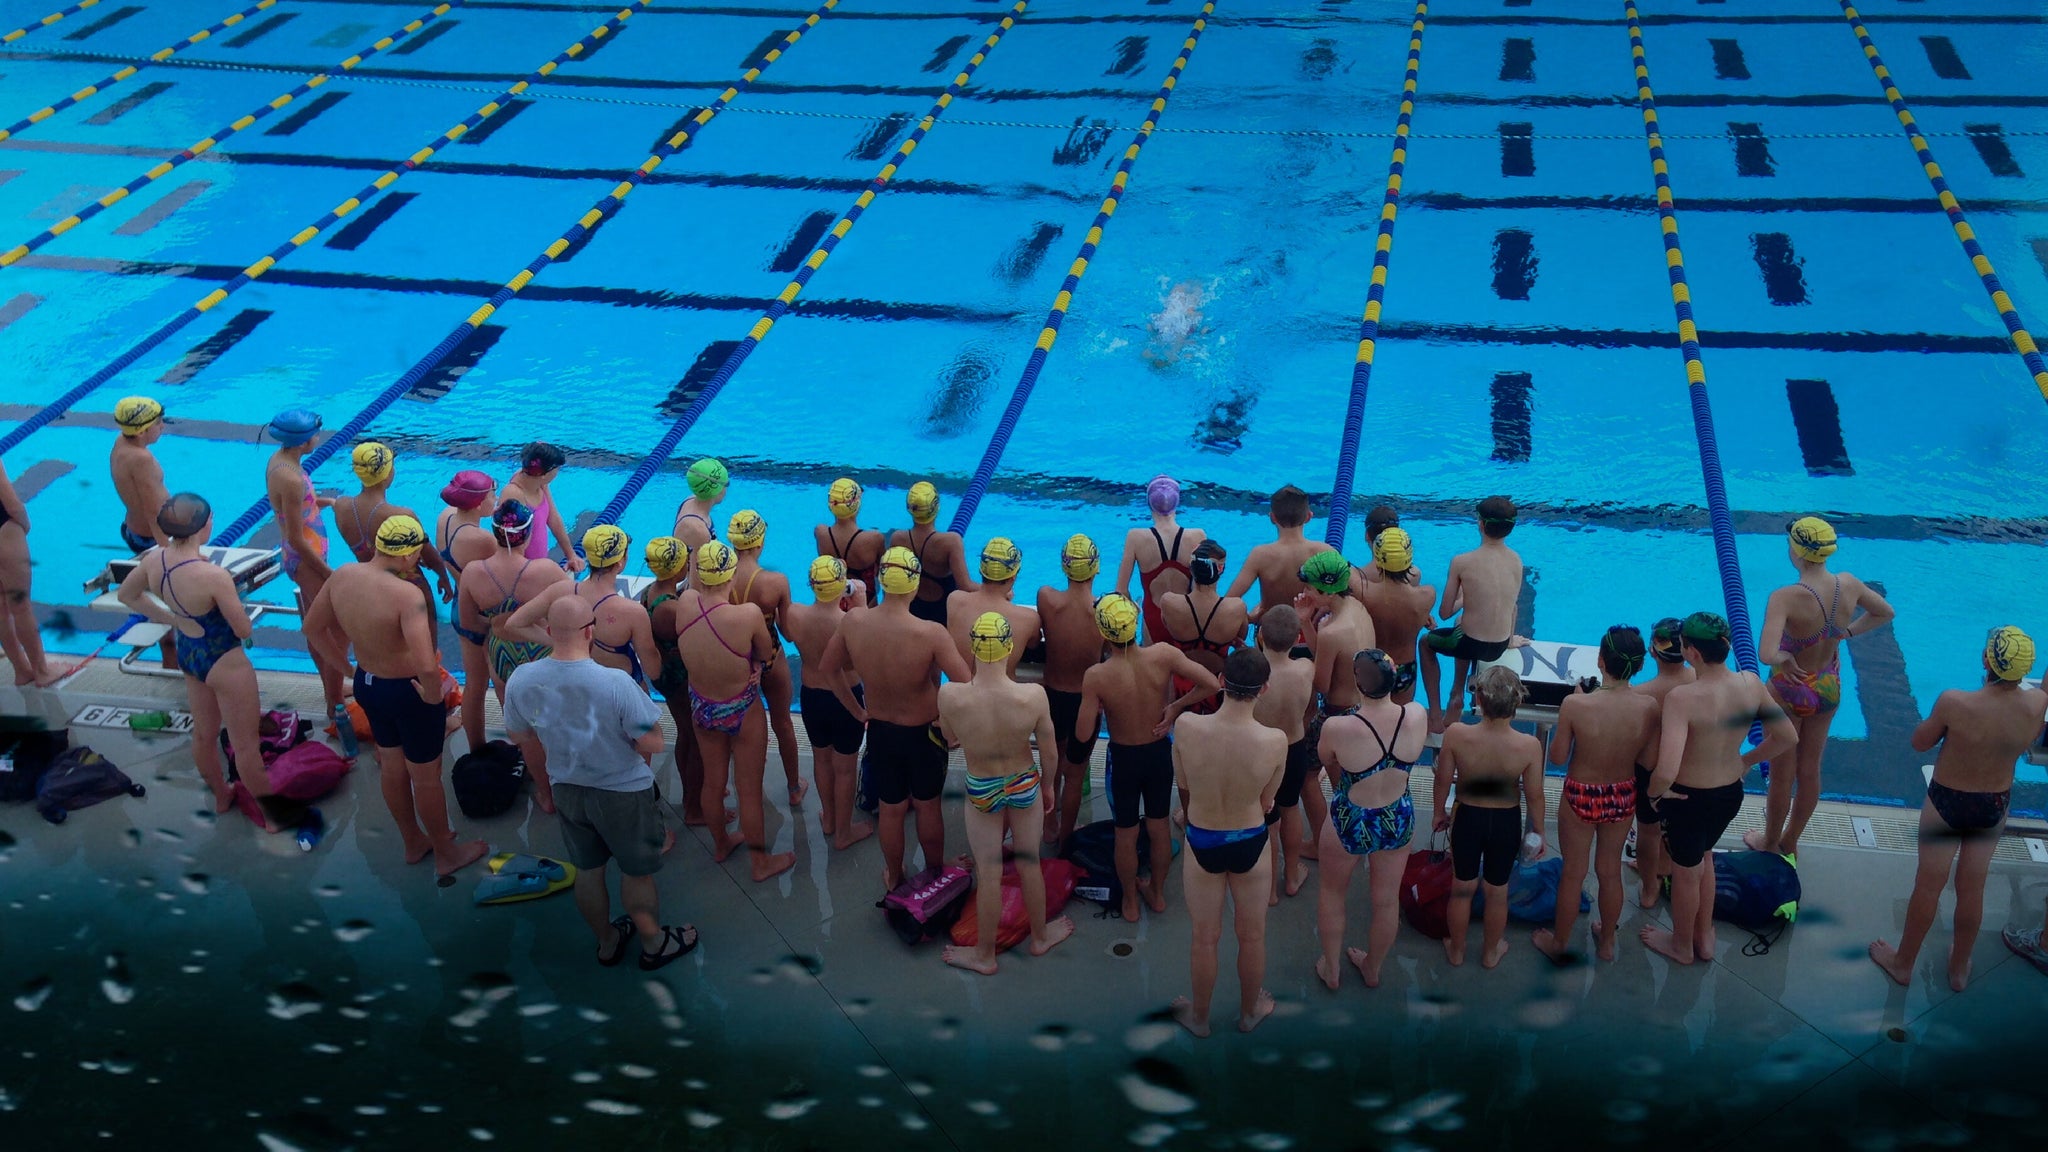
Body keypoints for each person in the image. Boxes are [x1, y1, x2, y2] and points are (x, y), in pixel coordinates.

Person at [503, 596, 696, 971]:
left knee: (588, 872)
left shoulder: (523, 679)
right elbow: (651, 741)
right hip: (622, 791)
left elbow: (519, 735)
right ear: (590, 631)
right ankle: (653, 944)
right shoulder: (615, 683)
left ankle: (607, 941)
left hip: (567, 789)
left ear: (548, 632)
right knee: (636, 873)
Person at [305, 515, 489, 877]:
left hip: (369, 685)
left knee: (391, 766)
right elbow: (424, 663)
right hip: (410, 693)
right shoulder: (407, 595)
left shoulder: (343, 574)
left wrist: (347, 669)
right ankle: (445, 853)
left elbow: (312, 628)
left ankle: (413, 840)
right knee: (425, 776)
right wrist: (435, 698)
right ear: (407, 557)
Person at [1872, 628, 2044, 993]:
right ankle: (1960, 965)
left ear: (1986, 660)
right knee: (1972, 889)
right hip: (1992, 805)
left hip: (1947, 802)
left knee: (1928, 886)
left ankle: (1903, 963)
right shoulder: (2037, 705)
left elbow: (1920, 742)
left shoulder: (1956, 703)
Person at [115, 494, 282, 826]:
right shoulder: (213, 576)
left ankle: (222, 796)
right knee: (246, 746)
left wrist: (170, 619)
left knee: (204, 735)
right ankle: (274, 818)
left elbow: (127, 595)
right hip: (225, 661)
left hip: (189, 652)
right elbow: (242, 627)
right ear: (204, 527)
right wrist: (237, 598)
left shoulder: (153, 560)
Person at [1641, 612, 1796, 965]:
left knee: (1685, 873)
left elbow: (1666, 768)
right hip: (1729, 795)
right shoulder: (1751, 683)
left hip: (1688, 799)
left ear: (1692, 653)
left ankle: (1681, 945)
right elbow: (1787, 736)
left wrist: (1654, 793)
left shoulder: (1683, 698)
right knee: (1705, 857)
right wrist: (1746, 761)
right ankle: (1703, 935)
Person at [1746, 517, 1896, 862]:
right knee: (1810, 768)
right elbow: (1885, 612)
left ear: (1796, 551)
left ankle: (1769, 841)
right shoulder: (1849, 584)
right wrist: (1848, 633)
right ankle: (1790, 840)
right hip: (1827, 685)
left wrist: (1783, 656)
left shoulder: (1785, 597)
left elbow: (1766, 653)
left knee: (1783, 770)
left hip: (1789, 690)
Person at [823, 546, 970, 890]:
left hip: (880, 732)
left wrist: (859, 711)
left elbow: (829, 670)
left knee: (890, 810)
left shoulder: (854, 621)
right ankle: (936, 873)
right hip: (924, 735)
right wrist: (951, 723)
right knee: (928, 806)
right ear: (915, 585)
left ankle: (895, 876)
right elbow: (966, 684)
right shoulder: (930, 633)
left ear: (884, 585)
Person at [937, 611, 1076, 975]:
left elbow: (950, 738)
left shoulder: (950, 695)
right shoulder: (1032, 696)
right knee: (1030, 863)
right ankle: (1041, 938)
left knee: (989, 873)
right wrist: (1047, 785)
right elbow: (1049, 752)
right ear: (1009, 647)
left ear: (971, 648)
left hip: (982, 785)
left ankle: (985, 956)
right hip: (1023, 782)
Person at [1073, 594, 1217, 922]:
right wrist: (1175, 708)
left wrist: (1093, 703)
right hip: (1157, 753)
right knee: (1158, 827)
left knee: (1126, 834)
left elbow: (1082, 736)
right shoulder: (1163, 655)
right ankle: (1157, 893)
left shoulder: (1096, 676)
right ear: (1134, 623)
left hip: (1123, 759)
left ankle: (1129, 903)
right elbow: (1210, 684)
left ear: (1103, 632)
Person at [1170, 647, 1285, 1037]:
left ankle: (1199, 1018)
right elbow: (1268, 801)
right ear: (1264, 689)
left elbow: (1182, 784)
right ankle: (1250, 1011)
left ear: (1220, 682)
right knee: (1251, 935)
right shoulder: (1275, 741)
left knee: (1205, 936)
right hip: (1250, 838)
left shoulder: (1186, 726)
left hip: (1202, 836)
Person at [1533, 627, 1660, 964]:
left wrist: (1575, 705)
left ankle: (1559, 944)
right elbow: (1648, 761)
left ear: (1601, 661)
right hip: (1622, 793)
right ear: (1639, 666)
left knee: (1574, 873)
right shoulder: (1649, 707)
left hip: (1580, 794)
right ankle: (1606, 944)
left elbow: (1558, 758)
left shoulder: (1575, 704)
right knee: (1609, 871)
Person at [674, 541, 794, 883]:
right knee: (749, 788)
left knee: (714, 780)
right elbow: (765, 649)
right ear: (730, 576)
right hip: (741, 708)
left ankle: (722, 844)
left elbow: (693, 589)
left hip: (702, 705)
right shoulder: (746, 615)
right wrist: (754, 663)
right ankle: (760, 865)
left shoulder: (684, 603)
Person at [1313, 649, 1426, 991]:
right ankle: (1372, 967)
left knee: (1333, 894)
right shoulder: (1416, 715)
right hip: (1397, 816)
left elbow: (1324, 757)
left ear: (1358, 683)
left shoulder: (1339, 726)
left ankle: (1331, 970)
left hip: (1351, 818)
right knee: (1386, 900)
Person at [454, 501, 571, 805]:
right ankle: (565, 787)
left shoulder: (473, 572)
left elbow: (469, 623)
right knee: (554, 722)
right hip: (540, 651)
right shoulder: (546, 570)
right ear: (529, 534)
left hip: (501, 655)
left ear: (494, 534)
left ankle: (544, 795)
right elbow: (574, 611)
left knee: (524, 732)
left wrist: (496, 622)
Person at [1433, 666, 1545, 969]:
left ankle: (1456, 950)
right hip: (1505, 822)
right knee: (1497, 893)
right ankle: (1490, 952)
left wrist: (1438, 811)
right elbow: (1535, 794)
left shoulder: (1457, 734)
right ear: (1517, 703)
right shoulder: (1528, 745)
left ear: (1478, 700)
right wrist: (1539, 832)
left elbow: (1443, 779)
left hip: (1468, 818)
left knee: (1462, 888)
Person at [261, 409, 348, 742]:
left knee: (319, 626)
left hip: (305, 557)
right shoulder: (292, 479)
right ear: (302, 440)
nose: (319, 437)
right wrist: (328, 573)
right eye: (316, 433)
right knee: (334, 629)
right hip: (306, 560)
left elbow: (290, 508)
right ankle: (335, 702)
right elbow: (297, 537)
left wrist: (322, 501)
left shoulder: (281, 461)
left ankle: (332, 690)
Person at [503, 526, 662, 693]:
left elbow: (514, 624)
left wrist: (562, 642)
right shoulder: (633, 613)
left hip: (577, 691)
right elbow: (653, 671)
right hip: (621, 695)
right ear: (621, 563)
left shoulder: (561, 591)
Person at [785, 557, 871, 850]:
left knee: (821, 758)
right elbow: (871, 643)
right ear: (842, 586)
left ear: (811, 584)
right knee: (845, 768)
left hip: (811, 698)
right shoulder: (851, 621)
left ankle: (830, 819)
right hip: (846, 698)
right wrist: (860, 600)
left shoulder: (794, 614)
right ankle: (844, 833)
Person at [1421, 495, 1526, 734]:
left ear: (1480, 524)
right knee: (1463, 624)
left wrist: (1466, 598)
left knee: (1427, 643)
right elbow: (1513, 607)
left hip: (1470, 643)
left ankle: (1437, 712)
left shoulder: (1462, 561)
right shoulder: (1516, 561)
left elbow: (1445, 612)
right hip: (1499, 644)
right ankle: (1457, 692)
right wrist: (1510, 641)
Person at [1296, 550, 1376, 849]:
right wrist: (1308, 622)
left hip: (1336, 715)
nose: (1304, 593)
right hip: (1363, 709)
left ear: (1327, 590)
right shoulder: (1357, 608)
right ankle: (1354, 837)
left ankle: (1324, 844)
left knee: (1307, 778)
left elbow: (1320, 684)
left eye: (1309, 589)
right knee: (1350, 784)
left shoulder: (1333, 631)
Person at [727, 510, 806, 806]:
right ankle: (795, 788)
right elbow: (787, 632)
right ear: (760, 542)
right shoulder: (775, 582)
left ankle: (740, 789)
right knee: (783, 722)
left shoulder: (718, 577)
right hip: (771, 657)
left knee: (736, 726)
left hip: (735, 661)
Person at [1036, 534, 1107, 850]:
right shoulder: (1103, 611)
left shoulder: (1046, 599)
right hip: (1084, 704)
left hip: (1051, 698)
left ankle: (1048, 826)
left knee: (1051, 765)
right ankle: (1066, 839)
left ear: (1065, 568)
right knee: (1075, 775)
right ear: (1096, 570)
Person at [332, 443, 456, 611]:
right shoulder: (402, 516)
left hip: (371, 587)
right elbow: (430, 556)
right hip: (410, 588)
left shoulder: (341, 507)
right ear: (387, 475)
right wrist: (443, 577)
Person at [640, 536, 711, 830]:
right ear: (677, 567)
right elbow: (698, 634)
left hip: (665, 673)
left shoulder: (650, 591)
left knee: (686, 733)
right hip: (678, 677)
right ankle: (693, 807)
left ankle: (696, 794)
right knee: (691, 738)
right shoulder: (669, 610)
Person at [1251, 606, 1316, 903]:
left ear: (1261, 635)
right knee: (1290, 810)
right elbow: (1317, 651)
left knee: (1264, 817)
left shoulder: (1251, 672)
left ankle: (1268, 891)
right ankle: (1291, 877)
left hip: (1260, 751)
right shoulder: (1305, 669)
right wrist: (1305, 621)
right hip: (1293, 749)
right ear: (1297, 638)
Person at [1630, 617, 1695, 907]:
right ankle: (1665, 868)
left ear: (1652, 652)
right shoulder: (1698, 681)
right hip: (1686, 767)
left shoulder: (1641, 694)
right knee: (1675, 825)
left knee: (1648, 830)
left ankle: (1648, 887)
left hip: (1650, 770)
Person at [109, 396, 176, 667]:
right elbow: (153, 510)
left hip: (135, 530)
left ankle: (172, 661)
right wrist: (168, 553)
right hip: (151, 538)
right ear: (143, 430)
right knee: (170, 603)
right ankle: (172, 665)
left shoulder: (121, 443)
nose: (163, 427)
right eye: (159, 423)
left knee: (164, 600)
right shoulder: (141, 458)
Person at [1158, 539, 1248, 715]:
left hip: (1182, 684)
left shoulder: (1169, 602)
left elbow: (1166, 626)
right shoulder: (1236, 608)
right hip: (1217, 685)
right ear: (1220, 570)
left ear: (1192, 568)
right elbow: (1240, 638)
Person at [1115, 475, 1207, 645]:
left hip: (1152, 620)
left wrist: (1133, 608)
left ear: (1149, 504)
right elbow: (1203, 589)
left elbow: (1121, 591)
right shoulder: (1198, 536)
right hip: (1185, 618)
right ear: (1177, 503)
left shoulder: (1135, 537)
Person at [1224, 484, 1331, 624]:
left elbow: (1229, 602)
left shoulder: (1260, 555)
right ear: (1309, 516)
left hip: (1270, 633)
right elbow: (1344, 595)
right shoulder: (1324, 551)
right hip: (1309, 631)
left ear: (1272, 517)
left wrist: (1249, 619)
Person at [1354, 527, 1434, 703]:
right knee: (1400, 720)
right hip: (1404, 670)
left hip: (1372, 667)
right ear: (1409, 560)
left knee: (1368, 720)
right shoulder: (1427, 595)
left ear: (1377, 559)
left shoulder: (1363, 592)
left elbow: (1345, 569)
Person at [946, 537, 1040, 677]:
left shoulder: (955, 601)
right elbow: (1034, 644)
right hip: (1004, 696)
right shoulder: (1028, 619)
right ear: (1013, 577)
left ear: (981, 570)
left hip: (960, 694)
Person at [0, 458, 58, 686]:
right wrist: (24, 523)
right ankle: (42, 671)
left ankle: (22, 670)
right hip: (4, 531)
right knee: (20, 606)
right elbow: (12, 504)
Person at [892, 481, 977, 626]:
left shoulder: (898, 539)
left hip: (912, 614)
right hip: (943, 617)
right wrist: (998, 590)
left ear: (909, 508)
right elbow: (966, 586)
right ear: (937, 507)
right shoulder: (951, 542)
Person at [499, 441, 583, 573]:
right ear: (544, 474)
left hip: (539, 564)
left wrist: (570, 555)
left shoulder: (538, 481)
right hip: (522, 571)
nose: (558, 472)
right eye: (557, 469)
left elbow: (553, 518)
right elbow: (507, 542)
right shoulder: (513, 494)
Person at [815, 477, 883, 608]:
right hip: (867, 604)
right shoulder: (874, 539)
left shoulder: (821, 533)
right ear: (857, 505)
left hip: (833, 603)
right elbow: (881, 572)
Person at [435, 470, 498, 577]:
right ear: (478, 505)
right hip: (476, 593)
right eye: (492, 496)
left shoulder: (445, 515)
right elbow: (508, 567)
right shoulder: (483, 539)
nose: (497, 498)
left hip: (459, 589)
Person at [673, 457, 727, 568]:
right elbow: (695, 579)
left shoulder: (690, 500)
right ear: (717, 489)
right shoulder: (698, 530)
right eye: (726, 484)